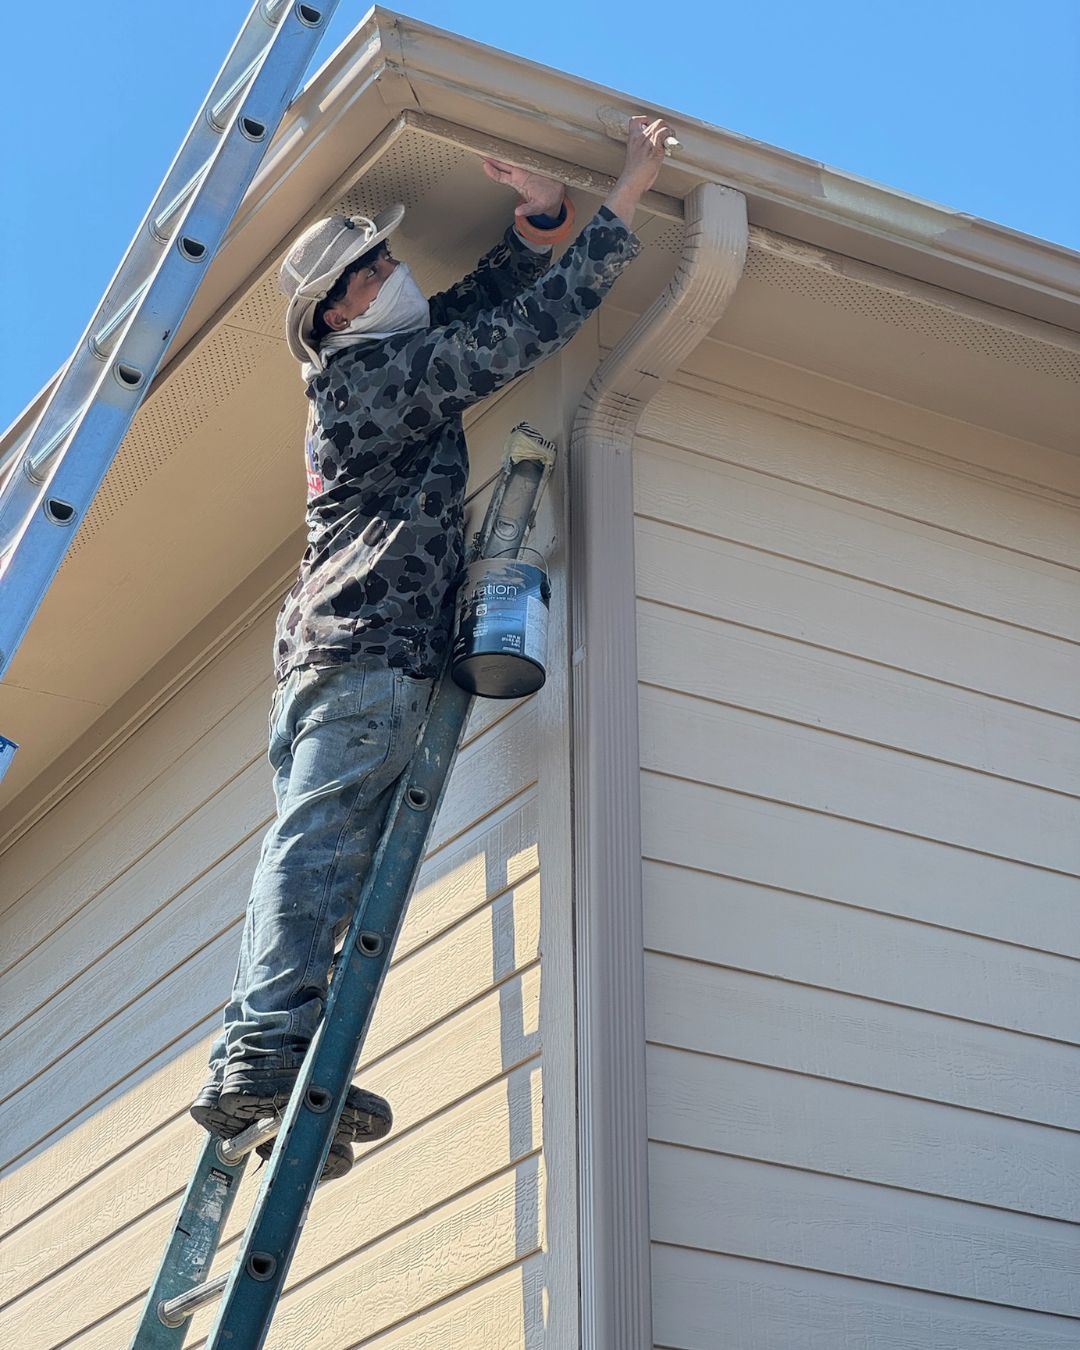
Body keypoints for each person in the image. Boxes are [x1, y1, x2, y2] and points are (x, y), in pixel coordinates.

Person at [190, 115, 675, 1178]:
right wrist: (626, 197)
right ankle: (264, 1056)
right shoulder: (365, 383)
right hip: (363, 646)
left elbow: (481, 307)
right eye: (376, 266)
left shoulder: (384, 359)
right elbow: (509, 339)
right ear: (341, 306)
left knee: (338, 867)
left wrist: (544, 214)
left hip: (364, 650)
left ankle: (278, 1066)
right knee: (319, 856)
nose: (397, 271)